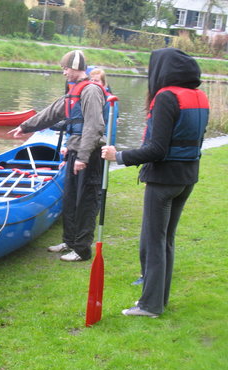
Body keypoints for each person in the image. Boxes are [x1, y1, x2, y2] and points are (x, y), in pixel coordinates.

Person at [102, 48, 209, 318]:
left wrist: (120, 156)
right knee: (165, 240)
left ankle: (150, 305)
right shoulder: (199, 96)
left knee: (155, 241)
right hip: (187, 178)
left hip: (163, 181)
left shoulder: (166, 97)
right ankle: (160, 298)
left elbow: (157, 150)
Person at [10, 50, 108, 263]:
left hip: (89, 155)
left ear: (75, 68)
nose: (63, 73)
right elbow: (51, 112)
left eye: (65, 69)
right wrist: (25, 126)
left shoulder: (90, 91)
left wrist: (82, 156)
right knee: (70, 199)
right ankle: (70, 241)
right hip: (74, 151)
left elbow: (95, 125)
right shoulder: (74, 91)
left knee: (85, 202)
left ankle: (82, 250)